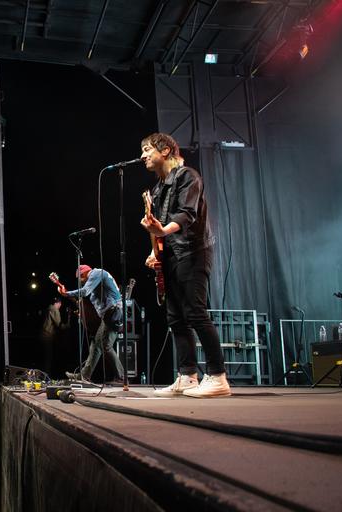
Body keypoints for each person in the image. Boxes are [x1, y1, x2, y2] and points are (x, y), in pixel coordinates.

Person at [139, 132, 230, 398]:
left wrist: (163, 231)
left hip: (193, 251)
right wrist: (153, 252)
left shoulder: (188, 176)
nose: (143, 155)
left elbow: (186, 214)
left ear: (165, 150)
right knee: (176, 318)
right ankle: (188, 376)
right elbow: (157, 228)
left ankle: (217, 376)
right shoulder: (157, 188)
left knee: (196, 313)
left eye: (147, 149)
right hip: (170, 255)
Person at [57, 265, 124, 384]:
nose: (81, 281)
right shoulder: (96, 284)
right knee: (96, 344)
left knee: (105, 345)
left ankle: (121, 377)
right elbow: (88, 300)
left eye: (81, 278)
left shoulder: (96, 273)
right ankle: (84, 375)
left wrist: (66, 293)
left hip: (113, 311)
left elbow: (84, 292)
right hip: (110, 313)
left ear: (85, 273)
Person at [39, 297, 67, 376]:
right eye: (60, 304)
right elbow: (59, 325)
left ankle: (42, 376)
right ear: (58, 303)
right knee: (48, 358)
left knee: (43, 357)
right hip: (47, 336)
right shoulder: (55, 310)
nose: (60, 306)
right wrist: (68, 325)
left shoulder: (47, 308)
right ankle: (46, 377)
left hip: (41, 335)